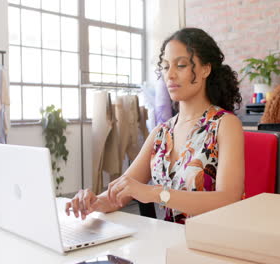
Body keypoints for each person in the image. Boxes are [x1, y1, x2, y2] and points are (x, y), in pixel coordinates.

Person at [66, 28, 245, 223]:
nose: (170, 75)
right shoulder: (161, 133)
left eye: (181, 65)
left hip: (214, 242)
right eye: (166, 66)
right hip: (169, 240)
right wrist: (92, 202)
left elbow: (228, 199)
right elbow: (120, 193)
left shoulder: (225, 124)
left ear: (205, 69)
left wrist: (155, 193)